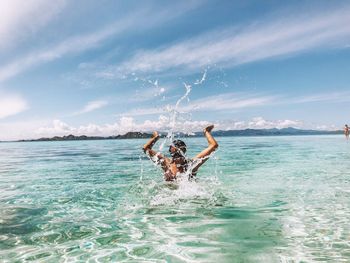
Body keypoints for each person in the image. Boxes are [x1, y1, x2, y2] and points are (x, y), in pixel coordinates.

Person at [142, 125, 218, 181]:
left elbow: (213, 146)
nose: (177, 156)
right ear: (170, 153)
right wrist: (155, 138)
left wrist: (206, 132)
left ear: (184, 152)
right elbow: (146, 148)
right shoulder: (166, 163)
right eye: (174, 154)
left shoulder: (191, 165)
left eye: (179, 153)